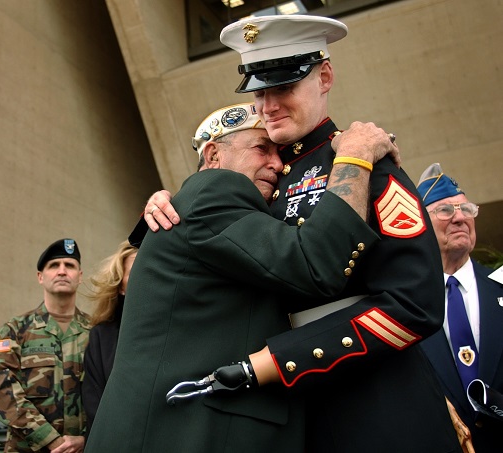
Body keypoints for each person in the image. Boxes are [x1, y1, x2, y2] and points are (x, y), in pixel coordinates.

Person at [147, 15, 461, 453]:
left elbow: (416, 302)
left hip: (375, 403)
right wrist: (165, 204)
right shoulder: (259, 177)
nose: (268, 105)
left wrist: (281, 359)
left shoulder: (366, 162)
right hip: (282, 418)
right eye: (259, 91)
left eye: (284, 87)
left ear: (325, 76)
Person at [85, 101, 399, 453]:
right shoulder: (214, 191)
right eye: (261, 148)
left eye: (279, 153)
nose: (278, 165)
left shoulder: (202, 204)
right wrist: (355, 156)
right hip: (185, 433)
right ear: (214, 155)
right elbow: (317, 264)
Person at [418, 163, 503, 453]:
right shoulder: (403, 304)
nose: (460, 218)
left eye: (466, 209)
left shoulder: (500, 289)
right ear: (421, 225)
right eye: (444, 211)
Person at [0, 238, 90, 453]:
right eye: (54, 265)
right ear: (40, 277)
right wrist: (52, 441)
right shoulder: (14, 330)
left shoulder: (97, 332)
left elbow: (111, 393)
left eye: (69, 265)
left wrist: (86, 439)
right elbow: (4, 393)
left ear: (80, 277)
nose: (62, 271)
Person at [82, 240, 138, 440]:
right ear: (120, 287)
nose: (144, 279)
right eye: (135, 273)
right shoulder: (101, 337)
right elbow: (94, 405)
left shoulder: (177, 331)